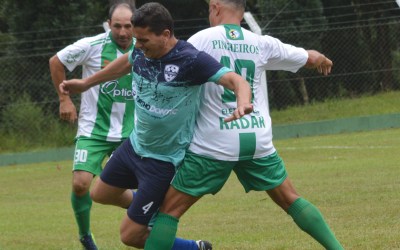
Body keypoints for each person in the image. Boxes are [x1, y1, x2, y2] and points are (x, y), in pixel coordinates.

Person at [145, 0, 344, 249]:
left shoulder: (200, 40)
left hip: (214, 142)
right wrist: (321, 59)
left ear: (216, 7)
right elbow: (309, 57)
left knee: (169, 211)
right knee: (291, 199)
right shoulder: (261, 42)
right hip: (256, 140)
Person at [59, 2, 253, 249]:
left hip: (162, 162)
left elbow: (236, 80)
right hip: (134, 147)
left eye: (143, 40)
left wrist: (243, 102)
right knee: (100, 193)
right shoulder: (140, 50)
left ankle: (194, 247)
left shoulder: (191, 59)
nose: (137, 45)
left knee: (129, 236)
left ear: (165, 35)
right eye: (136, 40)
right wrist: (86, 83)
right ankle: (149, 207)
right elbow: (126, 62)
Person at [49, 3, 135, 249]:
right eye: (117, 26)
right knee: (80, 184)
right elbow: (56, 61)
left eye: (128, 26)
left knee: (133, 187)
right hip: (94, 130)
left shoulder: (145, 47)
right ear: (108, 24)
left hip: (132, 132)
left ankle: (144, 213)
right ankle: (86, 235)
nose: (122, 32)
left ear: (136, 25)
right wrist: (64, 99)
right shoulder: (92, 45)